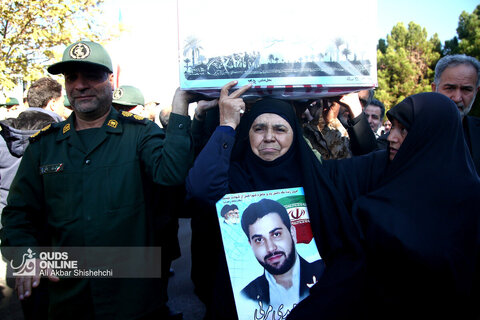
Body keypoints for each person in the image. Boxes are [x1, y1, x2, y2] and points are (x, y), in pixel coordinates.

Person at [1, 40, 194, 320]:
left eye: (91, 75)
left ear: (110, 80)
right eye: (71, 77)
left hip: (132, 297)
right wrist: (26, 254)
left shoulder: (140, 134)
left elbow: (172, 173)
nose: (80, 85)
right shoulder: (45, 145)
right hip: (67, 296)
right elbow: (18, 213)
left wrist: (179, 109)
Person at [288, 92, 480, 319]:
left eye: (404, 130)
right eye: (393, 127)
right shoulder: (380, 166)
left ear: (431, 134)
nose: (392, 137)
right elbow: (320, 178)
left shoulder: (468, 198)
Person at [186, 81, 365, 319]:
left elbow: (387, 159)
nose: (269, 137)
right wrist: (227, 125)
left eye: (280, 129)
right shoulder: (232, 178)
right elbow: (199, 189)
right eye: (259, 129)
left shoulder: (317, 179)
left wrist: (358, 114)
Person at [240, 198, 325, 311]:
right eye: (259, 240)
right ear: (251, 245)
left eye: (276, 234)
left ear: (292, 233)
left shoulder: (326, 273)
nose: (270, 248)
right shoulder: (246, 297)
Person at [431, 54, 480, 173]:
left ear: (476, 91)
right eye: (450, 88)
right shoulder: (410, 131)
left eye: (466, 89)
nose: (457, 98)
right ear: (434, 89)